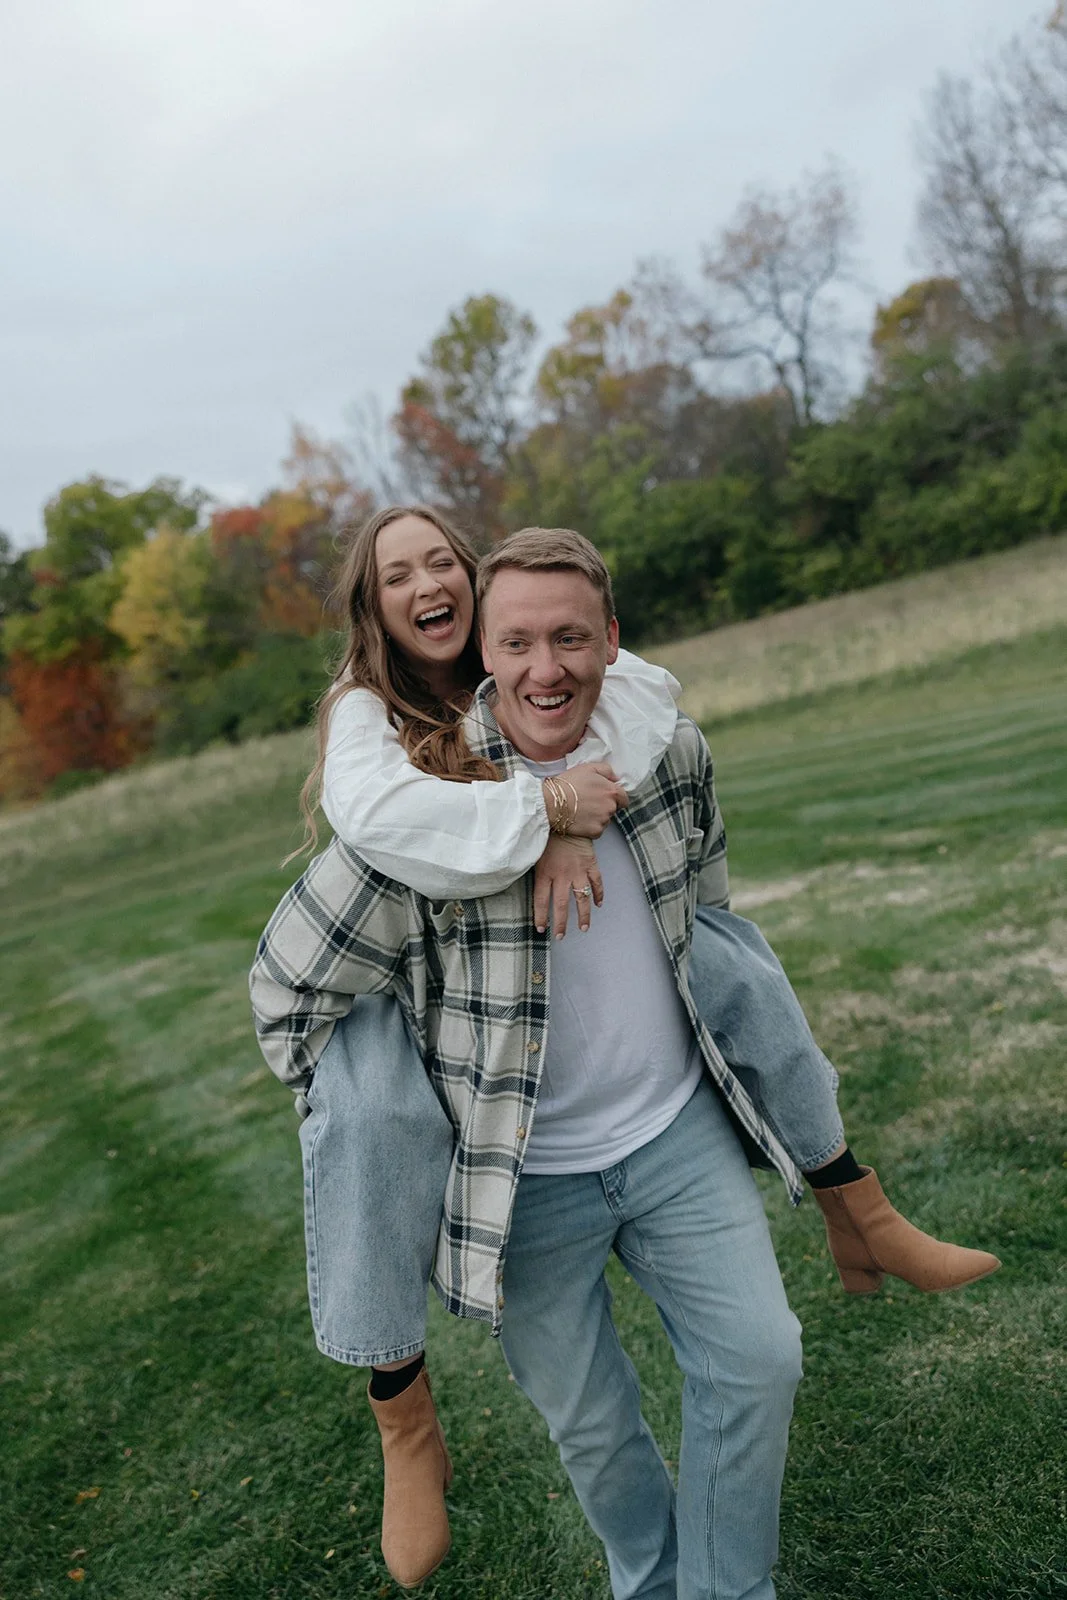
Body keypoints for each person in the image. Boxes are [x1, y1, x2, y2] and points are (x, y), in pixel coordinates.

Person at [251, 526, 999, 1597]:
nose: (544, 667)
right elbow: (287, 978)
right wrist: (354, 1095)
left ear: (612, 640)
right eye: (518, 643)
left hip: (670, 1132)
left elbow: (706, 905)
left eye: (568, 638)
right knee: (595, 1430)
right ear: (487, 654)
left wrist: (575, 814)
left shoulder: (667, 751)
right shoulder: (429, 810)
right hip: (523, 1182)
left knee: (759, 1357)